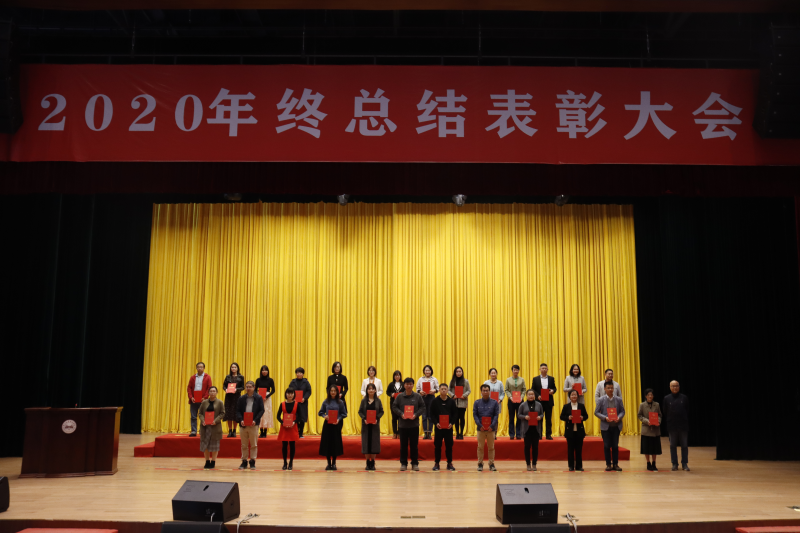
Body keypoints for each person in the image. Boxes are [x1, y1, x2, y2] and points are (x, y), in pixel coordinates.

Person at [392, 377, 426, 471]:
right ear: (404, 385)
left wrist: (416, 415)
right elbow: (394, 407)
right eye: (407, 384)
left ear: (413, 385)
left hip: (414, 425)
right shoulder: (399, 396)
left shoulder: (417, 396)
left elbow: (423, 407)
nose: (409, 386)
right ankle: (403, 463)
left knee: (414, 446)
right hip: (403, 426)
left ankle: (414, 463)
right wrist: (401, 414)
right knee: (403, 446)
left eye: (410, 384)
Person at [595, 381, 625, 471]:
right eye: (608, 388)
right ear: (605, 389)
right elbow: (596, 412)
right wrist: (605, 418)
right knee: (607, 446)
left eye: (612, 388)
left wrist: (619, 417)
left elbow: (622, 411)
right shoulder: (601, 400)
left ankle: (615, 464)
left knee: (615, 446)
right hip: (605, 427)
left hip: (616, 426)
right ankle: (608, 464)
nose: (610, 389)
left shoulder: (618, 399)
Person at [235, 381, 265, 470]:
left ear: (254, 387)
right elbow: (237, 411)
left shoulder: (258, 397)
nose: (248, 388)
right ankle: (244, 461)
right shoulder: (241, 398)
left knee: (254, 444)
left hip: (253, 424)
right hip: (243, 424)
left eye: (250, 387)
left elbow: (262, 410)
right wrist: (241, 420)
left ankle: (252, 461)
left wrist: (255, 420)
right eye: (247, 387)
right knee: (244, 445)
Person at [662, 380, 689, 471]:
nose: (675, 387)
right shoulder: (666, 398)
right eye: (673, 386)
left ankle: (684, 464)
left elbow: (687, 410)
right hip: (672, 426)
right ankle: (674, 463)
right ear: (670, 387)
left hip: (683, 426)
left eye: (676, 386)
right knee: (673, 445)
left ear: (679, 387)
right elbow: (665, 411)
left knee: (684, 445)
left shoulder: (684, 398)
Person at [319, 385, 347, 470]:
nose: (333, 392)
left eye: (334, 391)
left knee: (335, 444)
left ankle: (334, 463)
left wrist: (338, 419)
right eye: (331, 391)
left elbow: (344, 414)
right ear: (329, 392)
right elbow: (320, 412)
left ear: (337, 392)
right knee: (327, 444)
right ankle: (328, 463)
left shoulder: (340, 402)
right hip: (327, 425)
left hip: (336, 425)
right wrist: (324, 416)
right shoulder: (325, 401)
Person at [430, 383, 458, 471]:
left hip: (448, 428)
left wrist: (451, 423)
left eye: (445, 389)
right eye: (442, 389)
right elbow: (431, 414)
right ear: (439, 390)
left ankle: (449, 463)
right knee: (437, 446)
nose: (443, 390)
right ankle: (436, 463)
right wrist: (436, 423)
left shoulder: (451, 401)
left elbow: (455, 414)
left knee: (449, 446)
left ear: (447, 390)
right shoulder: (435, 401)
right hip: (438, 428)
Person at [473, 384, 501, 471]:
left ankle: (491, 464)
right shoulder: (477, 402)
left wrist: (492, 426)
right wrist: (479, 425)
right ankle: (480, 464)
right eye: (483, 390)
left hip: (491, 429)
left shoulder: (494, 402)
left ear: (489, 392)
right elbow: (475, 415)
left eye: (487, 390)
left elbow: (496, 415)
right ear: (481, 392)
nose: (485, 392)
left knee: (491, 447)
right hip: (480, 429)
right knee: (480, 447)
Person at [560, 389, 588, 471]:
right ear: (569, 397)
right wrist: (568, 418)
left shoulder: (581, 406)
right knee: (570, 449)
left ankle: (579, 466)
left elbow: (586, 416)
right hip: (570, 431)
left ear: (578, 396)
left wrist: (582, 418)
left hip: (579, 430)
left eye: (575, 395)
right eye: (572, 395)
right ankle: (571, 466)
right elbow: (561, 417)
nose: (574, 396)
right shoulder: (566, 406)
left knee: (579, 449)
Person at [358, 383, 384, 470]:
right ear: (367, 390)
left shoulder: (378, 401)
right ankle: (367, 463)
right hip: (366, 425)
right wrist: (364, 418)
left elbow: (381, 411)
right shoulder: (363, 401)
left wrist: (377, 418)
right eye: (369, 389)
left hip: (374, 425)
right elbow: (360, 412)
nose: (371, 390)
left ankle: (372, 462)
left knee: (374, 444)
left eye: (372, 389)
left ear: (375, 390)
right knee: (366, 444)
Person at [198, 385, 224, 469]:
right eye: (211, 391)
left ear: (216, 393)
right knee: (205, 445)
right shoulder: (204, 402)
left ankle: (213, 461)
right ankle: (207, 461)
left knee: (214, 446)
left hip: (215, 427)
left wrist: (215, 421)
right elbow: (200, 413)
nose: (212, 393)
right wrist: (203, 420)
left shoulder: (220, 402)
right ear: (208, 393)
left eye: (214, 391)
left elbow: (222, 413)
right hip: (205, 427)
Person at [518, 389, 543, 471]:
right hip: (527, 430)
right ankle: (528, 464)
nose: (531, 396)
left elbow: (542, 414)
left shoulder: (539, 404)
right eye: (529, 394)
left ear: (534, 396)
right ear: (526, 396)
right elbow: (519, 415)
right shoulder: (522, 404)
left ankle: (534, 464)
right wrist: (525, 417)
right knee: (527, 447)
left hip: (536, 429)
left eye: (532, 394)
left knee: (535, 447)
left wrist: (540, 417)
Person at [638, 388, 663, 471]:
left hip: (655, 430)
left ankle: (654, 463)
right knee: (646, 448)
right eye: (648, 395)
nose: (650, 396)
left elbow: (659, 415)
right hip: (646, 429)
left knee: (655, 448)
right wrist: (647, 421)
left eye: (651, 395)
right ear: (645, 396)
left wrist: (658, 421)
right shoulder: (642, 405)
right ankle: (648, 463)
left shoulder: (657, 404)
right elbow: (639, 416)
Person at [531, 363, 557, 440]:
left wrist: (553, 391)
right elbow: (533, 389)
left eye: (545, 368)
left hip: (549, 402)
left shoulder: (551, 378)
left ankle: (548, 435)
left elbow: (554, 388)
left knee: (548, 419)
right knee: (539, 419)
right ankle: (539, 434)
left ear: (547, 369)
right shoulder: (535, 379)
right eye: (542, 368)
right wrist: (537, 396)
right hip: (539, 402)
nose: (544, 369)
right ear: (540, 369)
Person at [276, 388, 300, 470]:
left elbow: (300, 416)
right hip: (284, 427)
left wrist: (294, 422)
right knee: (284, 445)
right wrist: (282, 423)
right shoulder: (282, 404)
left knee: (292, 445)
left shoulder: (297, 404)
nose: (290, 395)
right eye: (288, 393)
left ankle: (291, 462)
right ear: (286, 394)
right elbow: (278, 416)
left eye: (291, 393)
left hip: (293, 427)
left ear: (294, 394)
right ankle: (285, 462)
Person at [187, 362, 212, 437]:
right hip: (194, 400)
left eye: (201, 367)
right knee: (193, 416)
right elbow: (189, 388)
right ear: (196, 368)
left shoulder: (207, 377)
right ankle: (194, 431)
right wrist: (191, 397)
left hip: (203, 400)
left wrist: (205, 397)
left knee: (203, 416)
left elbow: (209, 388)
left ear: (204, 368)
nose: (199, 368)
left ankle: (202, 431)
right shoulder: (192, 377)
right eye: (198, 367)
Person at [416, 365, 439, 440]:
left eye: (429, 370)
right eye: (426, 370)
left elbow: (438, 388)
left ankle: (430, 433)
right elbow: (417, 389)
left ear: (431, 371)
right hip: (423, 398)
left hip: (431, 398)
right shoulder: (420, 379)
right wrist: (420, 392)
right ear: (424, 371)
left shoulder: (434, 379)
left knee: (431, 416)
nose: (427, 372)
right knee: (424, 416)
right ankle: (425, 433)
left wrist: (434, 390)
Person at [448, 366, 471, 440]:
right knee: (456, 418)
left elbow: (469, 390)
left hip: (462, 402)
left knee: (462, 418)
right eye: (457, 372)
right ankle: (457, 433)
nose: (458, 373)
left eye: (460, 371)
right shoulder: (452, 381)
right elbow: (448, 390)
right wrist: (452, 395)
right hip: (454, 402)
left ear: (462, 372)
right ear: (455, 373)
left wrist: (464, 395)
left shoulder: (465, 381)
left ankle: (461, 433)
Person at [504, 365, 526, 440]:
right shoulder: (508, 380)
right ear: (512, 371)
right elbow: (506, 389)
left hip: (520, 401)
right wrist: (510, 397)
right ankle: (511, 434)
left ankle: (518, 434)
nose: (515, 371)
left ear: (518, 371)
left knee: (519, 417)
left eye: (517, 370)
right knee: (511, 417)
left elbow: (524, 389)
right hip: (511, 401)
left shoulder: (522, 379)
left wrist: (521, 397)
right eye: (514, 370)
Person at [289, 367, 312, 438]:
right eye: (298, 373)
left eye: (300, 373)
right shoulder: (293, 382)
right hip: (294, 403)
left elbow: (309, 391)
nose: (299, 374)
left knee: (302, 417)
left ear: (303, 374)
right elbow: (289, 390)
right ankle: (295, 432)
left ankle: (301, 433)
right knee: (295, 417)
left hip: (303, 403)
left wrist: (304, 398)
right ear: (296, 374)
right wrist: (292, 398)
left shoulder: (306, 382)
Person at [223, 363, 244, 438]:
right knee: (228, 413)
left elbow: (243, 387)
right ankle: (230, 431)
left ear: (237, 368)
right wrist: (225, 389)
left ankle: (234, 431)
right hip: (229, 397)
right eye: (232, 367)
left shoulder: (241, 377)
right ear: (230, 368)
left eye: (235, 367)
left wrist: (236, 389)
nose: (233, 368)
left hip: (237, 396)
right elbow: (224, 386)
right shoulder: (227, 377)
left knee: (235, 413)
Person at [255, 365, 275, 438]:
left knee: (266, 413)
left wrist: (267, 396)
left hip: (267, 398)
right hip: (259, 398)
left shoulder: (270, 380)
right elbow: (255, 390)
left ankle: (265, 432)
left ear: (268, 371)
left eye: (266, 370)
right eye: (263, 370)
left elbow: (273, 390)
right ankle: (261, 431)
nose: (264, 372)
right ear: (261, 371)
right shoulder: (258, 380)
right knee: (260, 413)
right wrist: (258, 396)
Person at [483, 368, 504, 436]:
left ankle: (494, 434)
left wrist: (500, 399)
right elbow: (482, 392)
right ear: (489, 374)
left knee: (495, 419)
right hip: (487, 403)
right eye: (492, 373)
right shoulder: (486, 382)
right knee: (488, 418)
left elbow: (502, 393)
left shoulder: (500, 383)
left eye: (494, 373)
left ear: (496, 374)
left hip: (497, 404)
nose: (493, 374)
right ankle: (487, 433)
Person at [386, 370, 404, 439]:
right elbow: (387, 392)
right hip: (393, 403)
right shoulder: (391, 384)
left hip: (401, 403)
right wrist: (391, 394)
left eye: (398, 375)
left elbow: (406, 392)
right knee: (394, 418)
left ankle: (399, 432)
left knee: (400, 418)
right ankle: (394, 433)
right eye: (396, 375)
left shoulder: (403, 384)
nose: (397, 377)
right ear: (394, 376)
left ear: (400, 376)